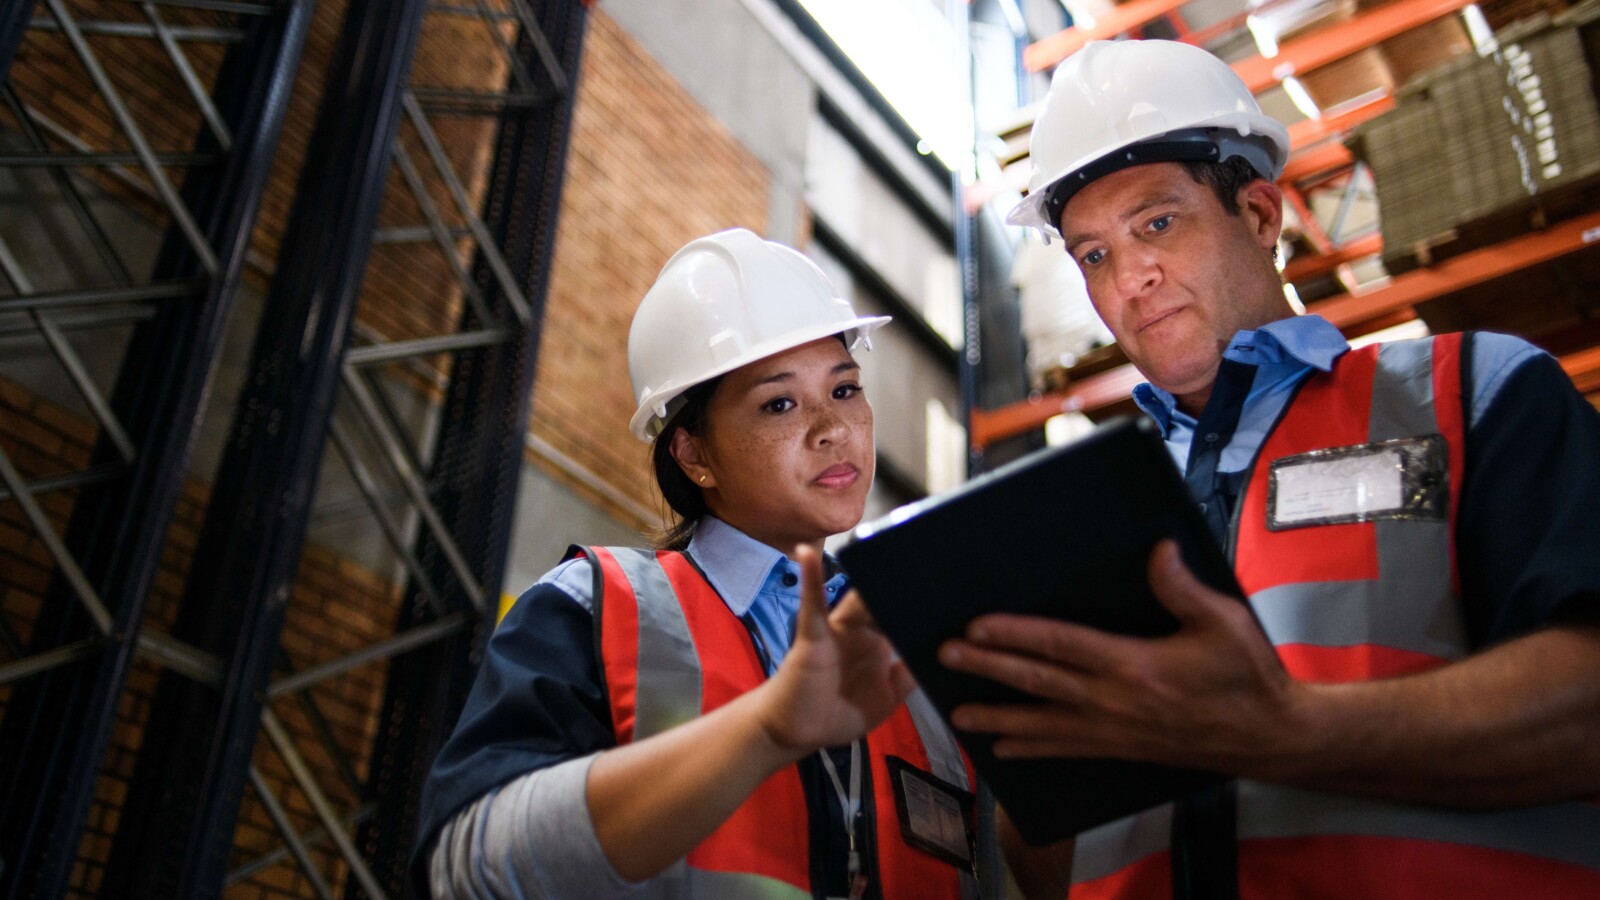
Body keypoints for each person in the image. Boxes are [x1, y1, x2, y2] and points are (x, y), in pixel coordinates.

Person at [939, 39, 1600, 899]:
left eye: (1157, 223)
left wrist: (1292, 732)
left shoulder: (1468, 392)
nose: (1131, 279)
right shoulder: (1082, 519)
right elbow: (1046, 862)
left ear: (1258, 216)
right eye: (1093, 255)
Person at [412, 228, 981, 899]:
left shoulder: (918, 641)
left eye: (845, 389)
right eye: (779, 403)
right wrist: (763, 730)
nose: (833, 429)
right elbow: (463, 868)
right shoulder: (599, 606)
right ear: (694, 454)